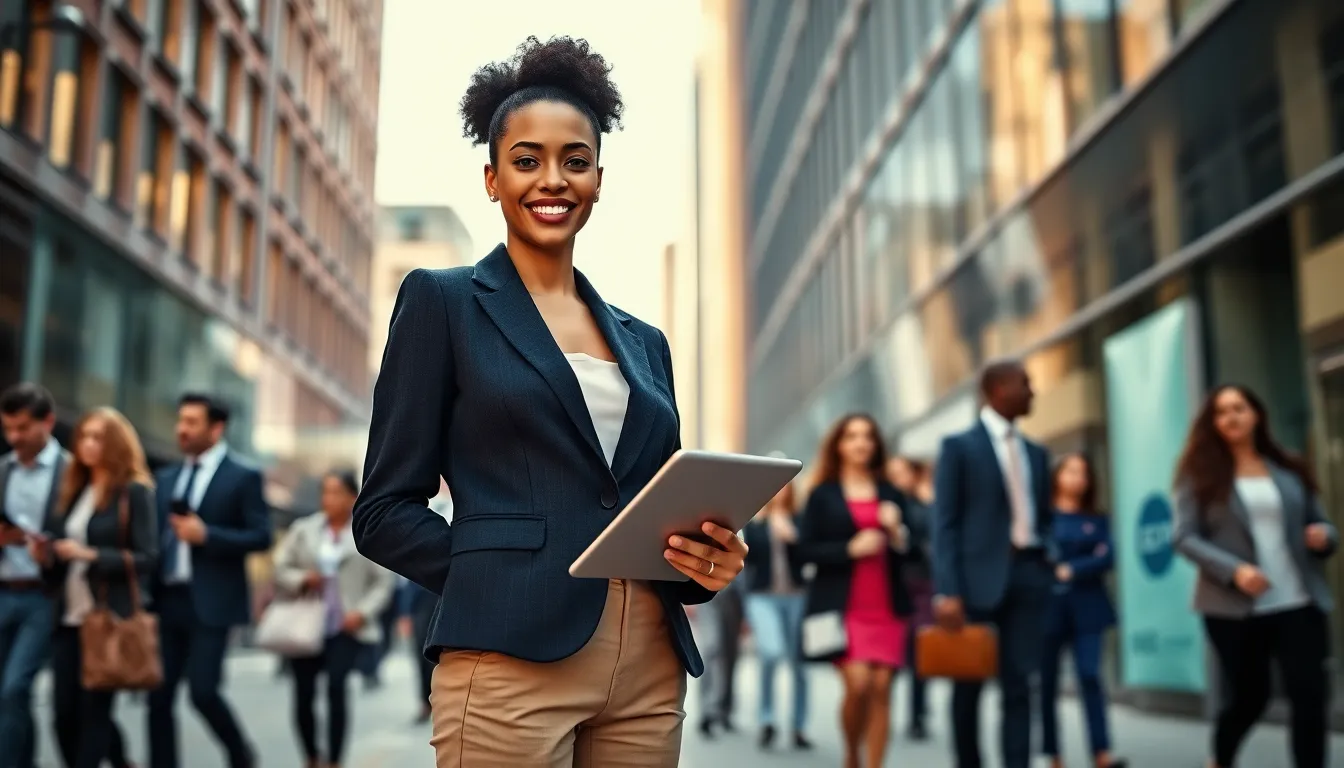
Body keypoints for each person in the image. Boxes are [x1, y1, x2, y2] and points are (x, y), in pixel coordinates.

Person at [352, 36, 749, 768]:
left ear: (599, 177)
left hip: (649, 664)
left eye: (575, 160)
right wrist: (496, 576)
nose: (552, 179)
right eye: (527, 160)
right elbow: (382, 512)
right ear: (492, 178)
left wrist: (706, 561)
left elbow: (649, 508)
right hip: (508, 654)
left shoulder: (645, 341)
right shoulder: (442, 303)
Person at [1172, 384, 1335, 768]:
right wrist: (1235, 571)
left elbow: (1323, 523)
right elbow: (1184, 537)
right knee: (1249, 698)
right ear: (1212, 423)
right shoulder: (1199, 475)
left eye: (1239, 408)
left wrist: (1324, 536)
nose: (1231, 417)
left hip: (1298, 600)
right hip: (1234, 608)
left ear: (1256, 414)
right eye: (1221, 411)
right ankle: (1221, 758)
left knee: (1310, 697)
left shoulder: (1290, 467)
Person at [932, 359, 1053, 768]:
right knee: (968, 685)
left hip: (1028, 577)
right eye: (1025, 384)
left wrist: (1048, 555)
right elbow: (944, 525)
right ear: (998, 389)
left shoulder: (1037, 453)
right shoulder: (958, 447)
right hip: (974, 583)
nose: (1032, 392)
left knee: (1020, 685)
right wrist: (949, 589)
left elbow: (1045, 516)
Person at [148, 393, 271, 768]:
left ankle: (240, 754)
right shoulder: (166, 477)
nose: (181, 429)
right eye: (180, 420)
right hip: (167, 598)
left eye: (191, 422)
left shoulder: (243, 476)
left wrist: (208, 536)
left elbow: (261, 536)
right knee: (158, 696)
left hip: (212, 602)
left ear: (216, 428)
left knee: (202, 691)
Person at [31, 407, 157, 768]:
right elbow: (58, 553)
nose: (87, 444)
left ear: (116, 443)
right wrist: (46, 555)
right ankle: (121, 761)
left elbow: (147, 556)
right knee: (62, 715)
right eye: (84, 436)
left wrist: (89, 554)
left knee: (94, 713)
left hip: (107, 618)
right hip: (68, 618)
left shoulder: (134, 492)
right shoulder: (72, 490)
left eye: (98, 437)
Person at [796, 414, 911, 768]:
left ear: (876, 445)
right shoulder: (822, 494)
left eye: (867, 436)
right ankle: (851, 754)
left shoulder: (891, 493)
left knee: (881, 689)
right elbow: (804, 550)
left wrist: (897, 532)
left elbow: (916, 551)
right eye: (851, 436)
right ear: (839, 445)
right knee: (858, 685)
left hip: (887, 603)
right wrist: (849, 548)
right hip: (841, 606)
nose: (860, 443)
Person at [273, 470, 395, 768]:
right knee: (303, 695)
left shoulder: (365, 533)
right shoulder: (304, 529)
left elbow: (383, 582)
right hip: (306, 624)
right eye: (324, 492)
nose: (328, 498)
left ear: (352, 496)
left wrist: (362, 612)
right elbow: (280, 568)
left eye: (336, 491)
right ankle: (312, 756)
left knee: (337, 689)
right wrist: (303, 579)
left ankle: (335, 760)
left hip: (343, 627)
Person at [1038, 454, 1125, 768]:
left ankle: (1101, 752)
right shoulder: (1043, 518)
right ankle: (1053, 753)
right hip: (1049, 609)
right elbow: (1040, 557)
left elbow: (1108, 556)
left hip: (1089, 607)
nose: (1078, 478)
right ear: (1056, 475)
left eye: (1084, 473)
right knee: (1047, 683)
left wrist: (1072, 567)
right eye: (1071, 471)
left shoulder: (1097, 518)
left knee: (1090, 675)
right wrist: (1089, 557)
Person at [0, 384, 66, 768]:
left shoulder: (73, 472)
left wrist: (50, 549)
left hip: (44, 596)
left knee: (14, 688)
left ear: (48, 422)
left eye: (23, 428)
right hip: (4, 590)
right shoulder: (3, 469)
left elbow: (88, 532)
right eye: (8, 428)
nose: (14, 438)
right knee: (9, 696)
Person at [741, 479, 811, 750]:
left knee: (799, 663)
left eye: (786, 486)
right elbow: (747, 560)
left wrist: (792, 537)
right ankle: (767, 719)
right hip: (763, 597)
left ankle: (799, 726)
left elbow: (810, 554)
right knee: (770, 653)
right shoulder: (756, 522)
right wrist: (763, 525)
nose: (780, 490)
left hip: (797, 597)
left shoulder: (801, 519)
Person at [885, 455, 935, 741]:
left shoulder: (923, 503)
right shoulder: (886, 504)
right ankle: (885, 709)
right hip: (895, 583)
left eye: (901, 472)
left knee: (919, 649)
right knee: (894, 651)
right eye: (892, 473)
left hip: (923, 583)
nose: (897, 478)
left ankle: (918, 714)